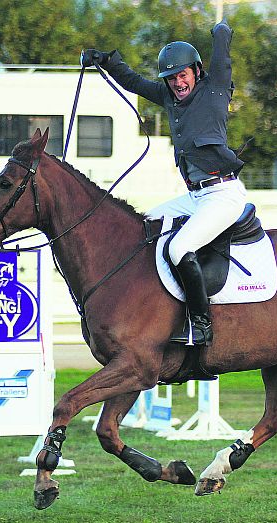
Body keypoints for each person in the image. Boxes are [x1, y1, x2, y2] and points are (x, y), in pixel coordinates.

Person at [82, 19, 247, 347]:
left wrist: (221, 30)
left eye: (182, 75)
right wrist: (105, 60)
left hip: (223, 195)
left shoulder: (214, 89)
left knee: (179, 247)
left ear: (196, 72)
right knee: (145, 228)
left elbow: (222, 60)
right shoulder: (169, 97)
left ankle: (202, 323)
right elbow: (133, 81)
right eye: (171, 78)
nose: (177, 83)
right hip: (195, 196)